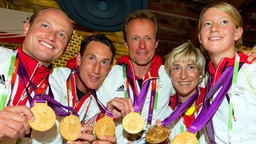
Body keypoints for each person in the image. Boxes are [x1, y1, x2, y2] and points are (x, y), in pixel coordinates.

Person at [96, 10, 175, 143]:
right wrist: (107, 115)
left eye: (148, 38)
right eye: (135, 38)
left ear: (156, 43)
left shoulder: (169, 75)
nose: (142, 45)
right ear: (126, 43)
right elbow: (89, 119)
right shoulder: (108, 75)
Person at [0, 8, 73, 143]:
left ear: (65, 50)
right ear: (27, 28)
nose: (51, 37)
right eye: (45, 26)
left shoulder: (59, 101)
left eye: (61, 34)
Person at [197, 2, 256, 143]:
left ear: (237, 33)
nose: (214, 29)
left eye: (223, 22)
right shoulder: (207, 81)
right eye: (207, 24)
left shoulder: (251, 69)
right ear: (200, 37)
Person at [49, 34, 116, 143]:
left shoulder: (104, 100)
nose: (96, 69)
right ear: (79, 59)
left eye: (104, 62)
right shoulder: (54, 80)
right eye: (91, 58)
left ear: (109, 69)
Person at [162, 41, 209, 143]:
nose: (183, 76)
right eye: (177, 68)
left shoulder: (211, 103)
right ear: (170, 74)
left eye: (191, 67)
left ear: (200, 73)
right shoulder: (165, 109)